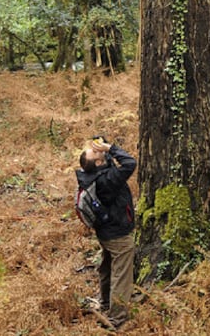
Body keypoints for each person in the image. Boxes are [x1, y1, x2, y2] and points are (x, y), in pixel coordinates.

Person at [76, 137, 136, 330]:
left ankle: (104, 302)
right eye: (95, 152)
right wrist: (110, 147)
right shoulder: (107, 180)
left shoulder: (92, 175)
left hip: (105, 231)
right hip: (118, 234)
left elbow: (110, 160)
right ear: (99, 163)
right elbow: (130, 163)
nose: (97, 149)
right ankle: (117, 318)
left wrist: (103, 143)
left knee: (107, 267)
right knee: (122, 274)